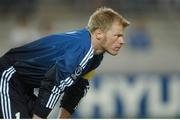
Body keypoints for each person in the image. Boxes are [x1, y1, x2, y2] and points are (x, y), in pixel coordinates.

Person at [0, 7, 129, 119]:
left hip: (22, 85)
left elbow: (78, 88)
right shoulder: (81, 50)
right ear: (99, 34)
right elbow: (53, 83)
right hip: (8, 76)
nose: (122, 41)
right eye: (117, 35)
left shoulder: (96, 55)